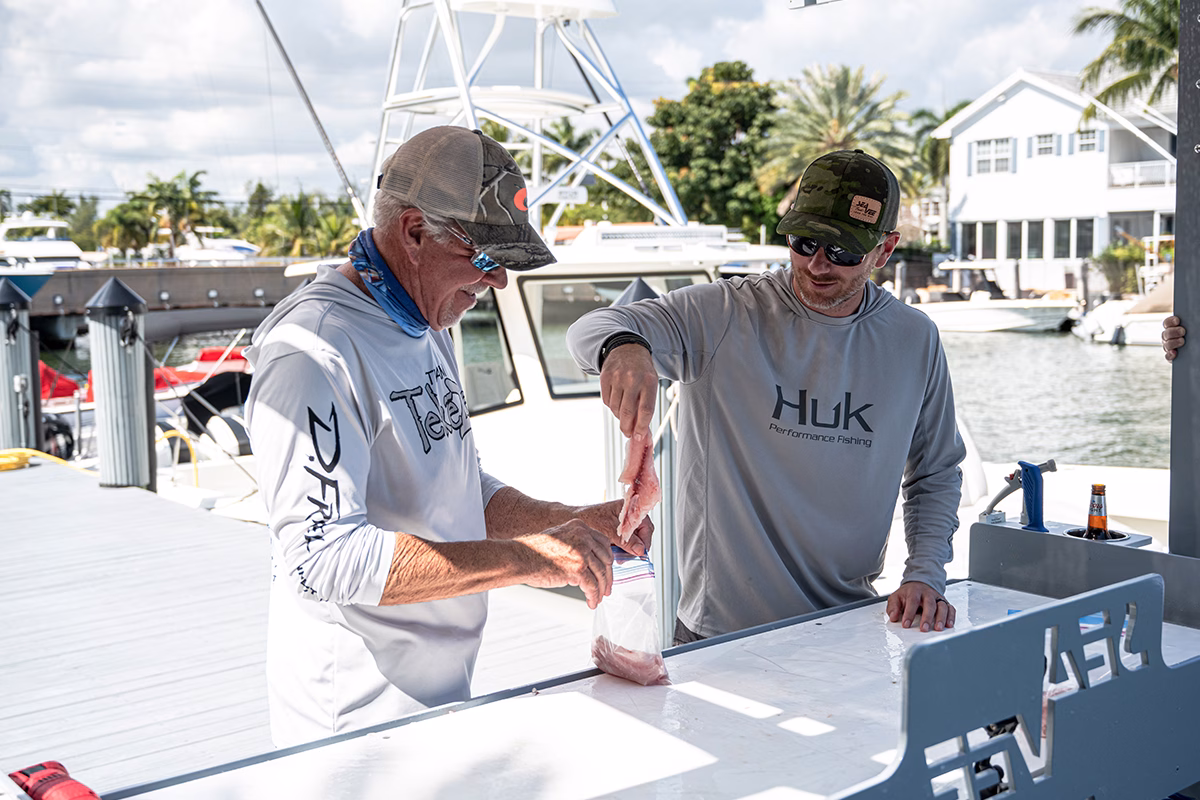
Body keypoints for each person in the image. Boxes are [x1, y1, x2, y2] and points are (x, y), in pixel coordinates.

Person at [244, 126, 651, 747]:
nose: (498, 284)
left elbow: (460, 489)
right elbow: (324, 560)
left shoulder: (425, 322)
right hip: (353, 726)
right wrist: (533, 558)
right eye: (486, 261)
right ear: (412, 232)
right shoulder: (312, 354)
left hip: (437, 702)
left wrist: (574, 522)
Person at [566, 150, 965, 646]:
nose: (818, 264)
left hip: (850, 625)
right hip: (718, 635)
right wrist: (623, 348)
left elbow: (935, 471)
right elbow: (590, 329)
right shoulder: (724, 312)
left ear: (884, 251)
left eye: (843, 252)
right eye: (804, 242)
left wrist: (925, 573)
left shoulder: (915, 339)